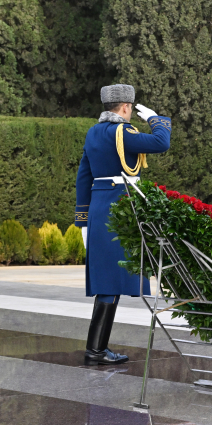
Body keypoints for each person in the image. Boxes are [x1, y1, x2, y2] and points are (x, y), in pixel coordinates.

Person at [74, 84, 171, 365]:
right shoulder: (122, 132)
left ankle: (97, 348)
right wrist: (155, 119)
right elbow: (161, 142)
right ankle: (95, 350)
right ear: (126, 107)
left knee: (109, 280)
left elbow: (84, 176)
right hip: (120, 209)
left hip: (100, 209)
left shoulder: (93, 133)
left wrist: (83, 219)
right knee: (110, 281)